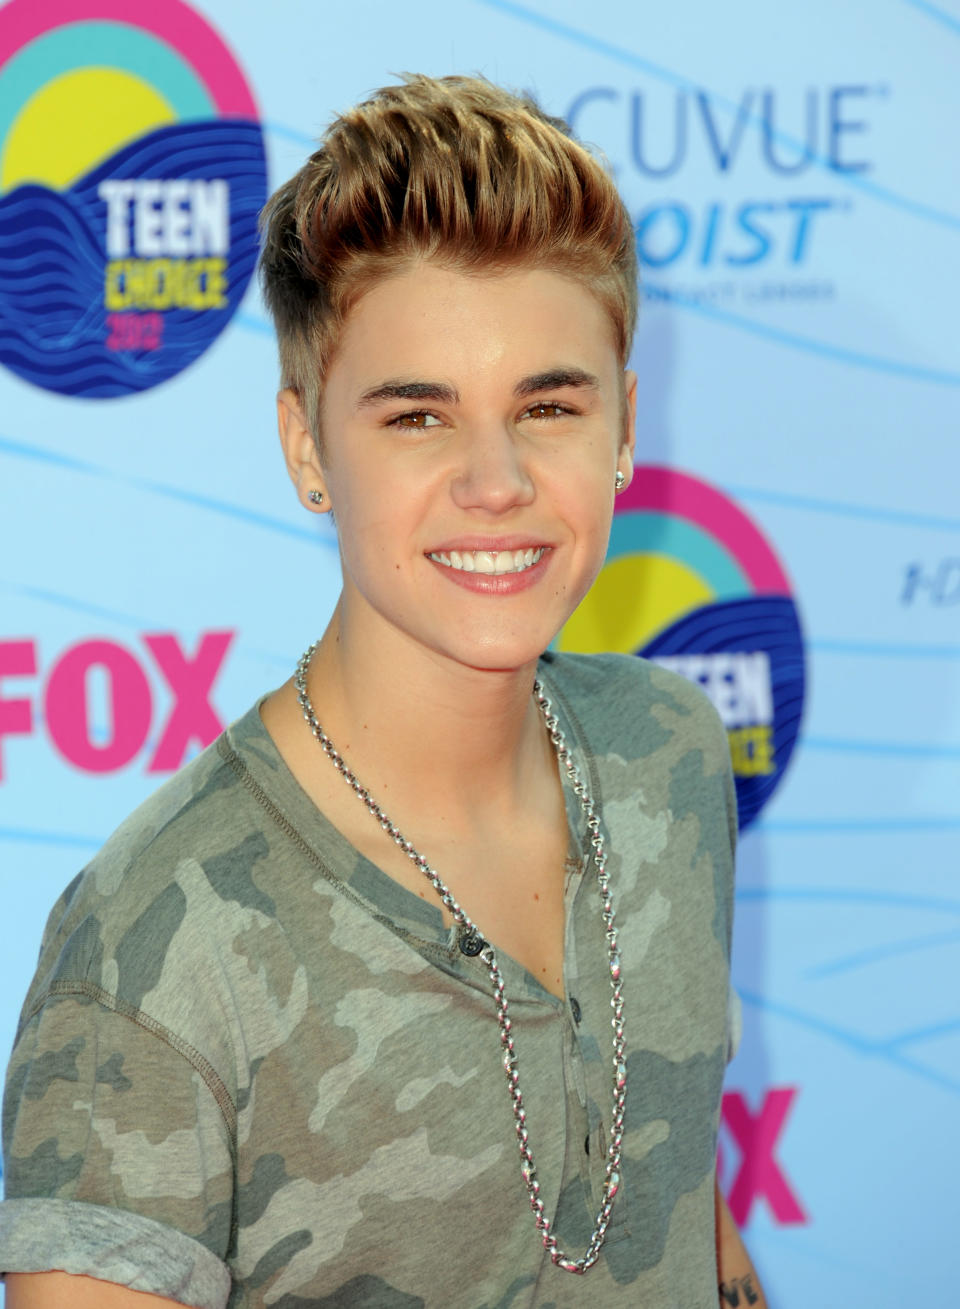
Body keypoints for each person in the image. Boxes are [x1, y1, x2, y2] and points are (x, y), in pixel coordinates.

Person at [0, 75, 766, 1308]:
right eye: (418, 415)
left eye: (550, 405)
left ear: (624, 425)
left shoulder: (666, 756)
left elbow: (676, 1192)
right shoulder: (157, 948)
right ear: (307, 445)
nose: (497, 480)